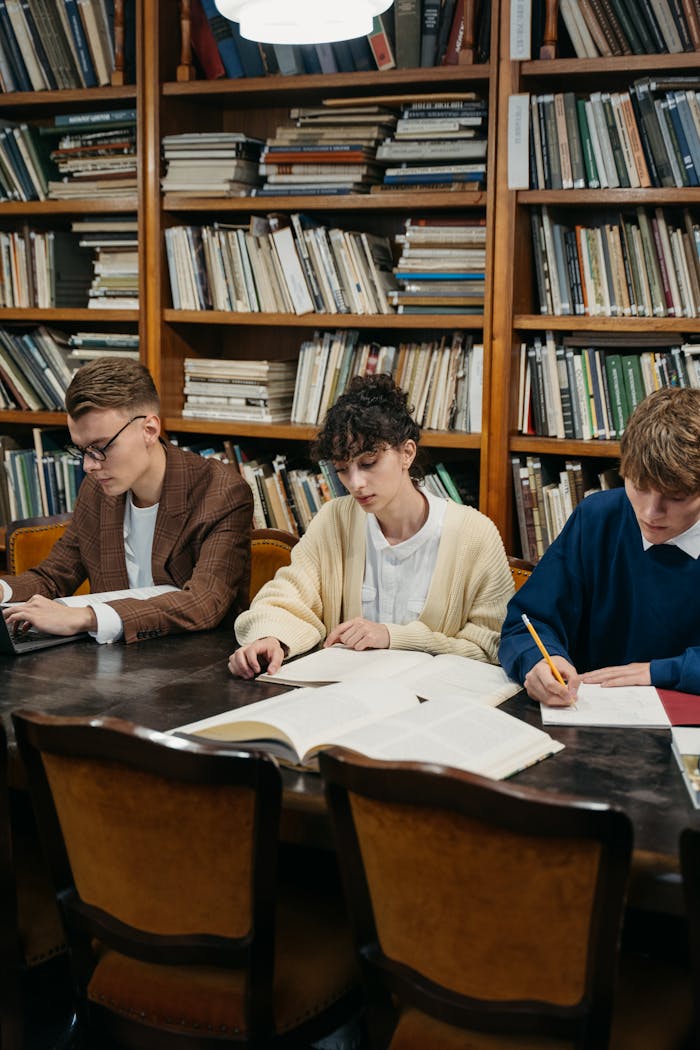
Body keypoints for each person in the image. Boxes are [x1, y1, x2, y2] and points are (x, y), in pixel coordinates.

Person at [230, 374, 513, 679]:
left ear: (407, 453)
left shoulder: (475, 535)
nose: (356, 483)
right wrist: (272, 638)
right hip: (347, 701)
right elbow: (288, 597)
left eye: (368, 463)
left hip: (435, 709)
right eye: (342, 470)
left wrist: (394, 637)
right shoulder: (334, 520)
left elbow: (492, 646)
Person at [1, 357, 253, 644]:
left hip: (195, 667)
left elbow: (203, 603)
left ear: (149, 430)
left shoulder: (221, 492)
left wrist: (88, 616)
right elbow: (53, 578)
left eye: (100, 447)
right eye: (81, 450)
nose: (88, 466)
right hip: (111, 665)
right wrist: (2, 590)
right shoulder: (96, 491)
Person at [499, 386, 700, 706]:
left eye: (676, 497)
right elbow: (526, 623)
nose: (650, 513)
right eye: (639, 486)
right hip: (591, 723)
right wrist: (540, 660)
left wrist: (661, 672)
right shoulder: (597, 518)